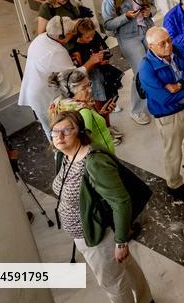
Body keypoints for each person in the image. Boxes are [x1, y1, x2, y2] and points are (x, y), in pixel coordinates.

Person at [49, 110, 153, 303]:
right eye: (55, 131)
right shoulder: (63, 156)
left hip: (98, 236)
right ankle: (146, 299)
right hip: (86, 232)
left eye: (66, 130)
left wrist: (120, 242)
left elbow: (121, 201)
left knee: (113, 283)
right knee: (126, 266)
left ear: (80, 131)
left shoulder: (94, 163)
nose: (59, 136)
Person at [138, 26, 184, 200]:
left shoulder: (176, 49)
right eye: (162, 43)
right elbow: (164, 98)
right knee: (173, 151)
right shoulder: (146, 68)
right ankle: (174, 184)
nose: (168, 45)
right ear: (151, 47)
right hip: (168, 115)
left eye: (169, 40)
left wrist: (181, 85)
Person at [19, 16, 106, 139]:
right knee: (55, 128)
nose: (73, 34)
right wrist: (91, 61)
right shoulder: (56, 52)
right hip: (45, 95)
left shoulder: (41, 37)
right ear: (61, 37)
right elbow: (73, 77)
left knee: (52, 127)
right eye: (70, 33)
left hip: (34, 89)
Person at [102, 0, 156, 126]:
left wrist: (149, 12)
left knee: (155, 66)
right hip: (129, 37)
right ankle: (136, 110)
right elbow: (107, 24)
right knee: (140, 72)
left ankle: (152, 101)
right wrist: (125, 17)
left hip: (147, 30)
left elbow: (153, 5)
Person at [69, 18, 127, 132]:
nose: (91, 39)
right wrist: (93, 62)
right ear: (79, 35)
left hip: (104, 73)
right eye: (87, 37)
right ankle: (103, 129)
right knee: (99, 104)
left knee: (107, 100)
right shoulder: (75, 49)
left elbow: (105, 48)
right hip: (92, 79)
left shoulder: (95, 36)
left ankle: (108, 126)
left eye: (92, 35)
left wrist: (105, 59)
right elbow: (80, 70)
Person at [48, 68, 119, 152]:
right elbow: (84, 143)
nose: (90, 90)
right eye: (84, 88)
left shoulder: (59, 104)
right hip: (102, 153)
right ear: (71, 92)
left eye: (89, 84)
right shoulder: (84, 111)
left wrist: (102, 114)